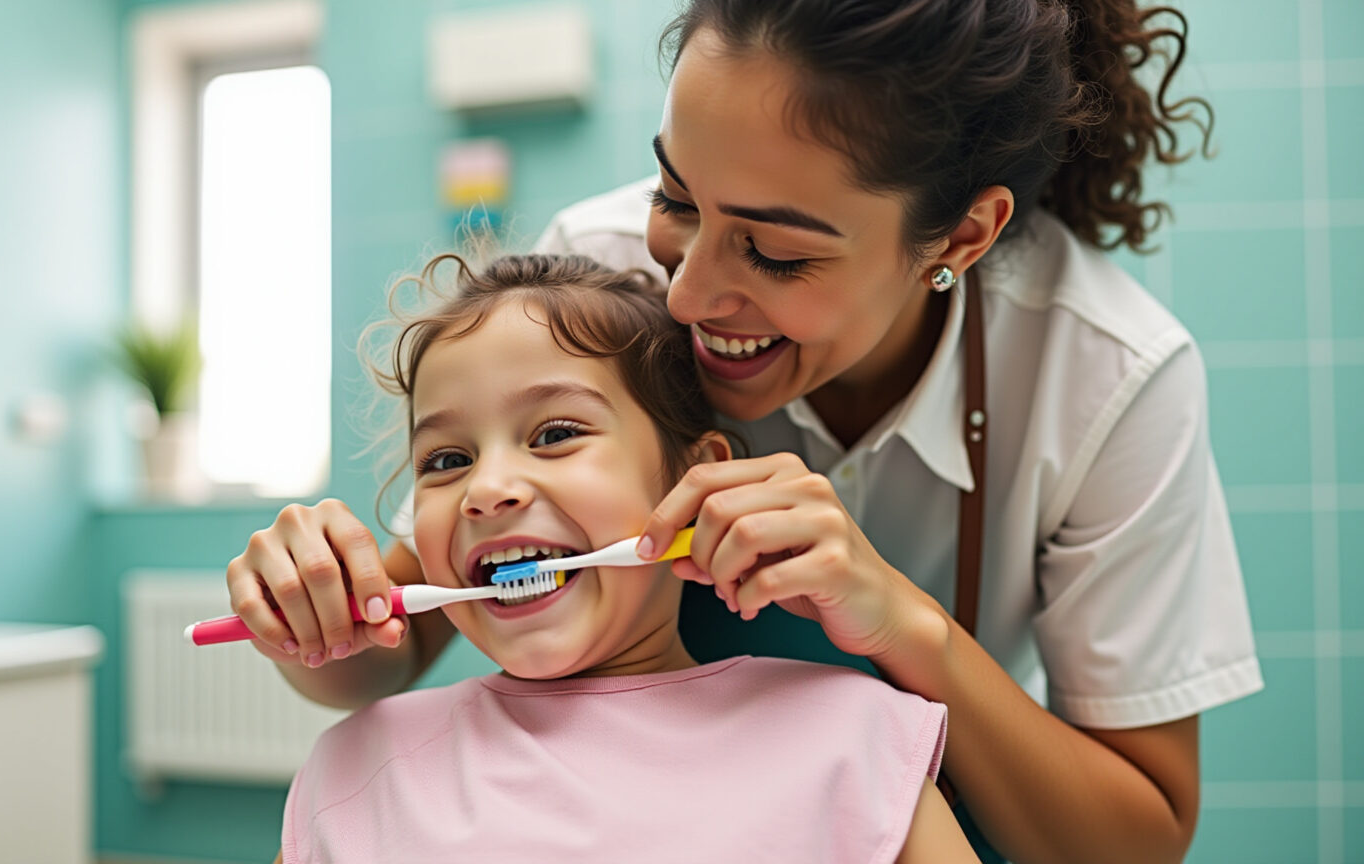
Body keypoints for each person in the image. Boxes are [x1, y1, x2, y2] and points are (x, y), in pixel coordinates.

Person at [231, 2, 1263, 862]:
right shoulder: (596, 280)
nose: (685, 291)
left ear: (959, 238)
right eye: (677, 196)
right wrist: (312, 610)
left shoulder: (1109, 374)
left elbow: (1137, 839)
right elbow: (405, 632)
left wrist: (904, 625)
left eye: (772, 252)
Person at [276, 252, 976, 863]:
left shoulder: (855, 745)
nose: (485, 491)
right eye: (447, 459)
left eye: (554, 433)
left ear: (692, 481)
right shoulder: (357, 771)